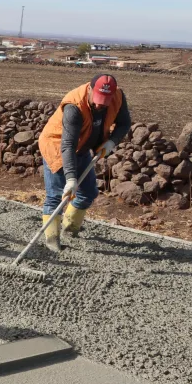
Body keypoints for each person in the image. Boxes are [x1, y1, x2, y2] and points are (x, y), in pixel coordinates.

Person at [37, 74, 131, 251]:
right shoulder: (74, 106)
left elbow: (124, 123)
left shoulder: (118, 97)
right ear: (89, 89)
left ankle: (69, 227)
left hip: (82, 147)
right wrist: (71, 179)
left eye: (105, 101)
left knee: (88, 192)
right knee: (56, 196)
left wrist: (112, 141)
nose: (99, 105)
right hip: (57, 147)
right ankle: (52, 239)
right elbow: (67, 145)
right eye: (97, 100)